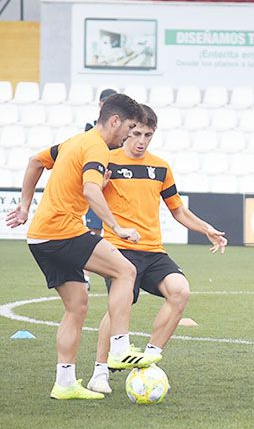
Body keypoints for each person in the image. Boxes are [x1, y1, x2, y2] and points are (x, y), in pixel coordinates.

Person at [4, 93, 161, 400]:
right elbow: (92, 189)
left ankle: (64, 383)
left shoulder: (73, 142)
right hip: (62, 231)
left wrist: (25, 206)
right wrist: (116, 227)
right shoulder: (97, 148)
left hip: (41, 236)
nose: (130, 135)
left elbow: (36, 161)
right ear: (114, 121)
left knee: (77, 306)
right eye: (129, 128)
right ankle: (119, 347)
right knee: (126, 271)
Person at [87, 105, 227, 394]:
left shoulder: (160, 166)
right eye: (136, 133)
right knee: (119, 308)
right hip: (119, 249)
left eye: (148, 135)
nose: (141, 140)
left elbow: (178, 210)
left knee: (180, 291)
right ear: (126, 129)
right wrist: (100, 186)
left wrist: (207, 229)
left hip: (153, 250)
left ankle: (148, 356)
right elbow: (88, 195)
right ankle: (100, 371)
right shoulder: (106, 159)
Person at [84, 88, 117, 237]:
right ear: (100, 104)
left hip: (116, 181)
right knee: (94, 231)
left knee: (117, 231)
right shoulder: (90, 128)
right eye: (106, 101)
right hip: (96, 180)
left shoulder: (123, 129)